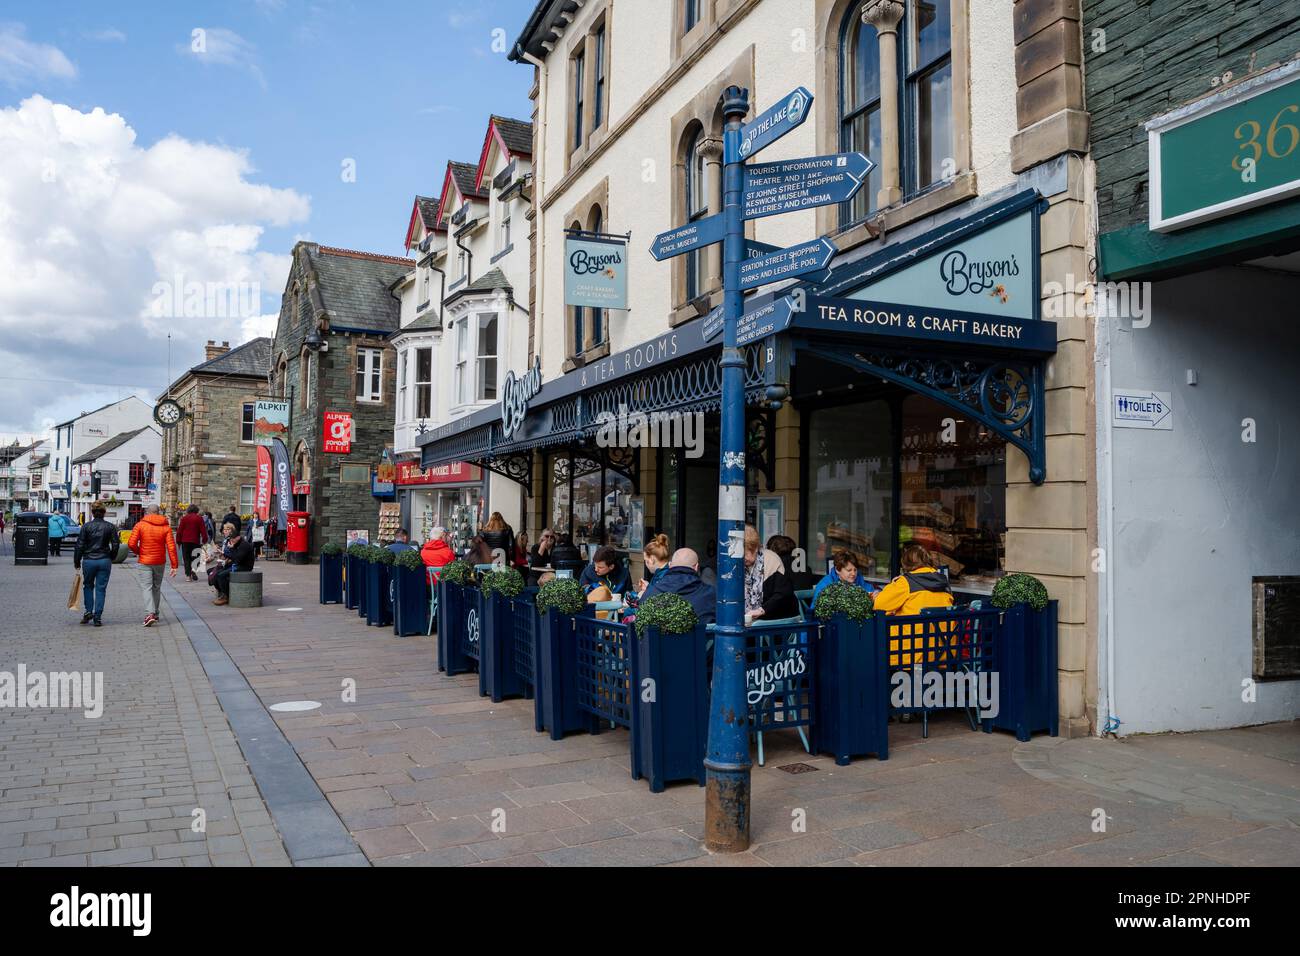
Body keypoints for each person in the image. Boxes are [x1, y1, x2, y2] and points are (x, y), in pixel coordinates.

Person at [127, 504, 178, 626]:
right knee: (156, 587)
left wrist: (140, 552)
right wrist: (174, 565)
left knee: (147, 587)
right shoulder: (166, 527)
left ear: (147, 512)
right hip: (159, 561)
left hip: (145, 561)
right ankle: (155, 613)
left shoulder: (140, 525)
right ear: (158, 512)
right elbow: (171, 547)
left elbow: (131, 543)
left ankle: (150, 613)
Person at [640, 547, 716, 625]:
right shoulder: (711, 595)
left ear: (670, 565)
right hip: (698, 637)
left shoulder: (650, 593)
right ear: (696, 567)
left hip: (659, 637)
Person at [873, 544, 954, 617]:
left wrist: (893, 584)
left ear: (906, 564)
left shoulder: (905, 582)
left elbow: (879, 605)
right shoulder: (943, 581)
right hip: (943, 633)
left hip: (911, 633)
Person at [73, 502, 119, 627]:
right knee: (101, 588)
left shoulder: (86, 527)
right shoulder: (110, 527)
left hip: (89, 560)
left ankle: (88, 611)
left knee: (88, 586)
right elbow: (116, 544)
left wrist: (77, 561)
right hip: (104, 560)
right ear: (104, 512)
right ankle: (97, 616)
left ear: (92, 513)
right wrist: (112, 557)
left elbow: (80, 545)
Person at [743, 525, 798, 623]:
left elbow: (783, 594)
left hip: (775, 622)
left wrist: (761, 610)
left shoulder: (771, 559)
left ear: (755, 548)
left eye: (746, 553)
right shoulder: (736, 564)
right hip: (749, 623)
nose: (743, 558)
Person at [211, 521, 255, 606]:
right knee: (216, 574)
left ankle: (227, 596)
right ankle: (223, 593)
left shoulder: (244, 545)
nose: (231, 541)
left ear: (237, 538)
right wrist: (224, 553)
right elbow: (234, 557)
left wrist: (231, 549)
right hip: (237, 564)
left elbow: (237, 559)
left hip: (244, 566)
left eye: (232, 539)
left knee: (221, 575)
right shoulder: (236, 544)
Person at [812, 549, 877, 604]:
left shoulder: (859, 580)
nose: (853, 573)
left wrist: (876, 597)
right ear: (837, 570)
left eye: (855, 570)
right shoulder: (824, 585)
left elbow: (869, 589)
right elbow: (815, 612)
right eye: (849, 570)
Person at [627, 533, 671, 609]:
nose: (646, 564)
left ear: (651, 560)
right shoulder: (665, 572)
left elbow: (657, 599)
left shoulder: (663, 575)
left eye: (646, 560)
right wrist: (648, 587)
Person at [176, 505, 209, 582]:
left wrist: (178, 541)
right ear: (196, 510)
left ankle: (188, 576)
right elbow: (203, 531)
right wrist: (205, 540)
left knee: (186, 558)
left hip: (185, 541)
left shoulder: (184, 518)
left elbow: (179, 531)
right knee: (196, 557)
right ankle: (193, 570)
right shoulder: (199, 518)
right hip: (195, 541)